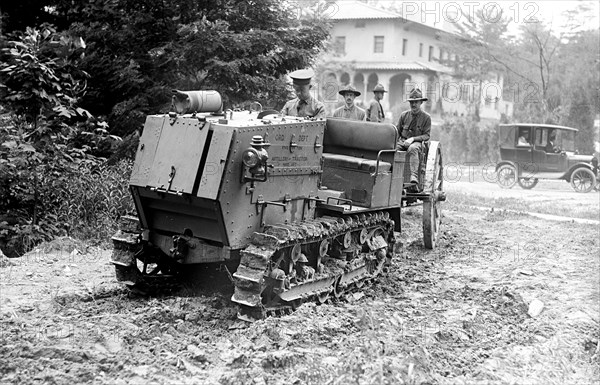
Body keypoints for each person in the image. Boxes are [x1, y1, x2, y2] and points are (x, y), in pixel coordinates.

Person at [396, 88, 431, 184]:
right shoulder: (404, 115)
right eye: (411, 102)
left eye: (416, 102)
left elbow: (427, 135)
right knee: (393, 149)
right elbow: (397, 132)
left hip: (417, 144)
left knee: (413, 148)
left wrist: (413, 139)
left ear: (421, 103)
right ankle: (392, 174)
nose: (413, 104)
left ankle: (414, 177)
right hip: (403, 142)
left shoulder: (426, 118)